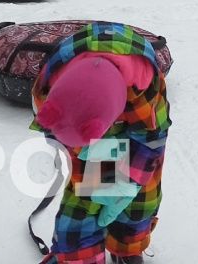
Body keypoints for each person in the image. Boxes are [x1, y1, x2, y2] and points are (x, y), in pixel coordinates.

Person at [30, 23, 170, 264]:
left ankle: (127, 247)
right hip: (87, 119)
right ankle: (76, 257)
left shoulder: (145, 83)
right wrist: (85, 157)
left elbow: (151, 140)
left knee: (139, 200)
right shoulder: (47, 85)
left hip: (132, 116)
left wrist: (130, 181)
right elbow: (51, 126)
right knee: (85, 200)